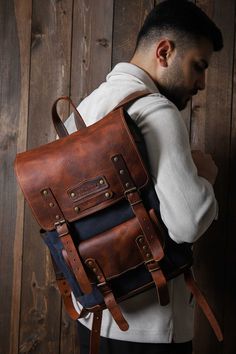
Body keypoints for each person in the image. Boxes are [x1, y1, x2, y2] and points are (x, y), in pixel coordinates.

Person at [65, 1, 223, 353]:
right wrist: (207, 177)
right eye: (198, 66)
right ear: (164, 51)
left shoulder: (88, 106)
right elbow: (188, 224)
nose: (201, 82)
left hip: (92, 317)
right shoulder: (156, 110)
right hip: (147, 331)